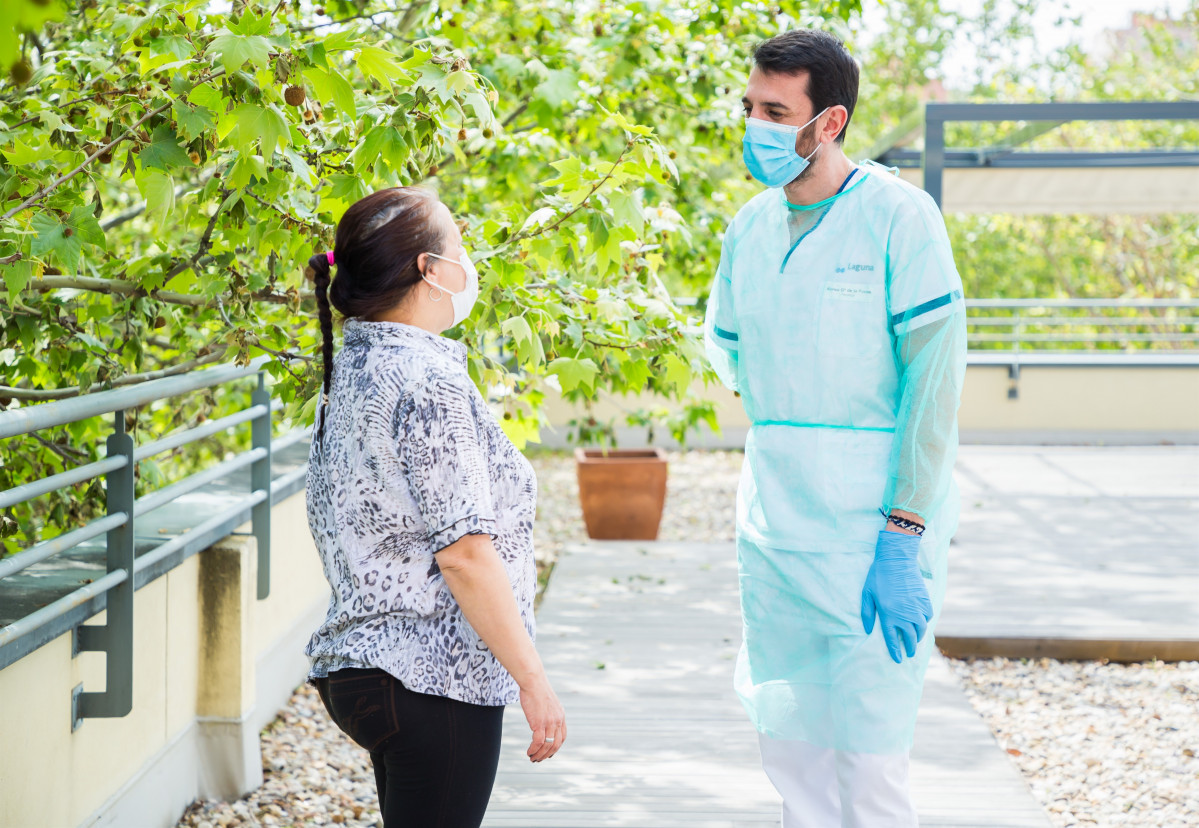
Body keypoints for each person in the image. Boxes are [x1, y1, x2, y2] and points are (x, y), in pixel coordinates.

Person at [703, 29, 967, 828]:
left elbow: (935, 381)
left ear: (829, 122)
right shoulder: (748, 228)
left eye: (774, 111)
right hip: (776, 531)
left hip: (868, 536)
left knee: (869, 759)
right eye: (750, 106)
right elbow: (737, 359)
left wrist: (903, 528)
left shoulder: (897, 217)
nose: (755, 124)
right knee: (793, 756)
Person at [303, 186, 566, 828]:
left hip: (363, 672)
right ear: (429, 269)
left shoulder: (351, 371)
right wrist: (534, 679)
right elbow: (465, 556)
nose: (468, 262)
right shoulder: (428, 381)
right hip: (433, 678)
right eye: (458, 247)